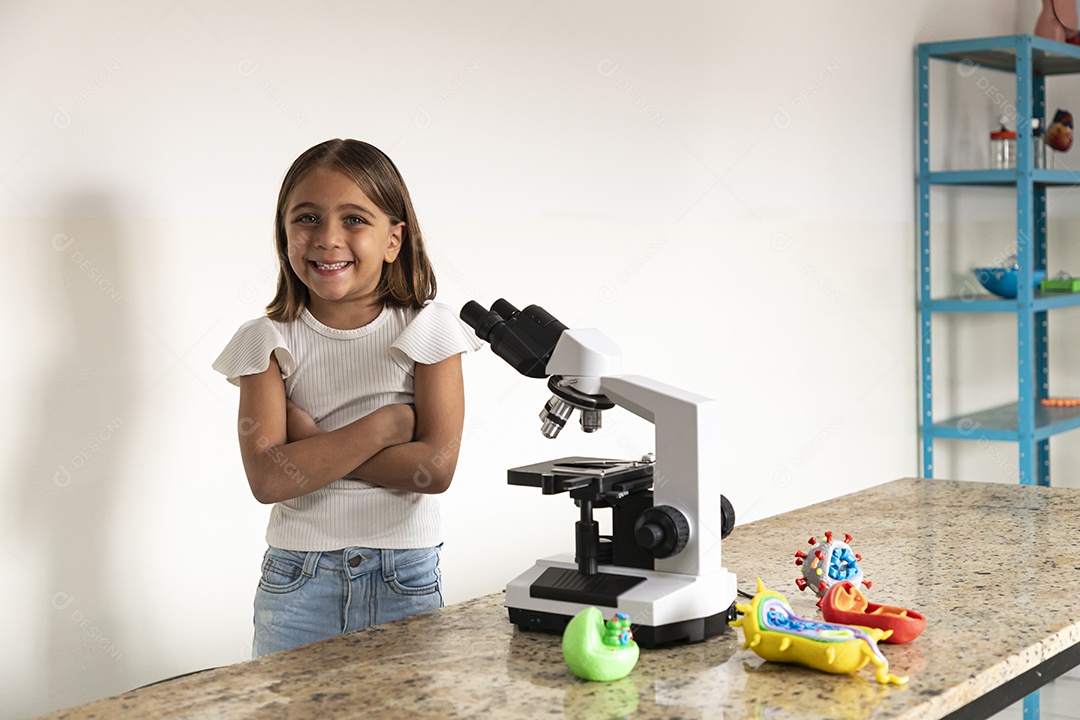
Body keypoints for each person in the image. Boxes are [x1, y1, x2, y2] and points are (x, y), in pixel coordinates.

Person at [213, 139, 482, 656]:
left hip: (403, 576)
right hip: (297, 580)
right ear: (284, 233)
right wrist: (382, 428)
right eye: (307, 218)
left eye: (355, 219)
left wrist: (314, 447)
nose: (327, 238)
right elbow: (270, 478)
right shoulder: (266, 339)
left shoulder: (431, 328)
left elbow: (434, 470)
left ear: (393, 239)